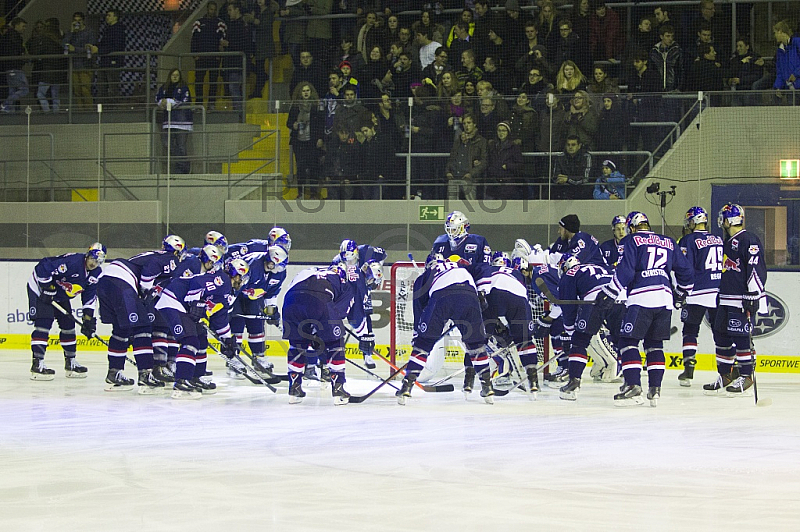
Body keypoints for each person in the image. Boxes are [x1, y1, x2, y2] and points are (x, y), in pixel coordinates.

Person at [596, 211, 694, 406]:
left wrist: (610, 292)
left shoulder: (632, 241)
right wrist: (682, 293)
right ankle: (655, 390)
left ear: (632, 227)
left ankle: (633, 386)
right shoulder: (667, 241)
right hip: (664, 299)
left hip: (641, 297)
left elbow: (626, 270)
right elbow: (686, 270)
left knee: (627, 341)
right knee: (655, 344)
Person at [97, 242, 215, 393]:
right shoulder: (169, 258)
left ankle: (114, 373)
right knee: (143, 328)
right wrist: (145, 291)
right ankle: (145, 375)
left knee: (121, 330)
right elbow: (149, 271)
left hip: (105, 279)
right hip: (123, 280)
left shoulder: (157, 257)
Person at [395, 255, 493, 405]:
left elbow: (419, 307)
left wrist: (418, 335)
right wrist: (482, 292)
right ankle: (487, 386)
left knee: (423, 344)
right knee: (476, 345)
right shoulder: (461, 266)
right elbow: (484, 268)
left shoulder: (426, 274)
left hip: (442, 297)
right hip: (469, 296)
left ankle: (406, 386)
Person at [155, 255, 248, 398]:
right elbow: (198, 282)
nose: (242, 281)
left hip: (184, 306)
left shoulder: (227, 291)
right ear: (236, 275)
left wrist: (227, 339)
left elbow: (220, 318)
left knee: (201, 339)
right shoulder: (222, 279)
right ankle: (182, 380)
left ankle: (195, 377)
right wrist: (195, 302)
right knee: (190, 341)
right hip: (174, 300)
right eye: (242, 277)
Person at [702, 204, 767, 396]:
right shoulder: (727, 241)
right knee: (721, 336)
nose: (720, 222)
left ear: (729, 220)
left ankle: (746, 376)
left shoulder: (748, 239)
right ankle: (725, 375)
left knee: (741, 338)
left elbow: (755, 267)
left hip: (741, 299)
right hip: (724, 299)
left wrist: (753, 294)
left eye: (722, 218)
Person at [27, 243, 106, 380]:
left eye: (98, 261)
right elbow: (43, 267)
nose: (94, 263)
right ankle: (37, 364)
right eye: (93, 258)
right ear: (88, 255)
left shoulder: (95, 274)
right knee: (44, 324)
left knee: (68, 325)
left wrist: (88, 320)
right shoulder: (72, 262)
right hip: (39, 289)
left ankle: (71, 363)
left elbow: (89, 297)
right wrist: (46, 286)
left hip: (58, 293)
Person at [281, 263, 357, 405]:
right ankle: (338, 387)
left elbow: (290, 291)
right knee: (336, 343)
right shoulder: (343, 282)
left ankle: (294, 387)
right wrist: (320, 334)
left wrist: (312, 333)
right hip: (319, 299)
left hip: (291, 301)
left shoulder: (308, 271)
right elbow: (339, 313)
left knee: (297, 344)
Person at [470, 252, 540, 395]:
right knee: (524, 341)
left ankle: (478, 383)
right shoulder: (517, 273)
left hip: (493, 295)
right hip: (518, 297)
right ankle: (533, 382)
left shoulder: (487, 269)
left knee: (478, 339)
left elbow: (478, 292)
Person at [556, 254, 623, 400]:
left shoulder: (570, 274)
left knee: (579, 342)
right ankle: (631, 384)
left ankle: (573, 383)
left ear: (565, 266)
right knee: (625, 342)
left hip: (596, 299)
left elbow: (568, 307)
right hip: (621, 297)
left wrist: (569, 333)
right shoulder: (599, 266)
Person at [675, 207, 724, 387]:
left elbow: (685, 268)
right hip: (717, 290)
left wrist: (681, 292)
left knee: (690, 330)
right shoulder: (718, 239)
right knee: (720, 332)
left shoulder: (689, 240)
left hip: (697, 292)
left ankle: (689, 369)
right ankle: (727, 369)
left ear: (693, 221)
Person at [228, 245, 288, 378]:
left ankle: (259, 357)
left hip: (255, 298)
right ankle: (234, 359)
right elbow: (235, 285)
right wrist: (227, 306)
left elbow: (272, 293)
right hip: (237, 297)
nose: (280, 268)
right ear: (270, 261)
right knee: (237, 326)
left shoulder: (280, 273)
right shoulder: (253, 264)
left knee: (257, 327)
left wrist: (272, 311)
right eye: (278, 265)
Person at [287, 82, 324, 199]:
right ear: (300, 93)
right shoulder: (295, 107)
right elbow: (288, 123)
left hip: (312, 142)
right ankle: (301, 193)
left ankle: (313, 193)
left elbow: (321, 124)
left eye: (308, 90)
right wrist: (294, 125)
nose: (306, 92)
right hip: (299, 142)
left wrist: (320, 138)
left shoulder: (316, 106)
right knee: (301, 169)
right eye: (304, 91)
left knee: (314, 168)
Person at [156, 68, 193, 174]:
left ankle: (183, 168)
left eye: (177, 75)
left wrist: (168, 101)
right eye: (173, 75)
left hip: (182, 122)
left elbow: (184, 101)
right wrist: (161, 102)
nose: (175, 76)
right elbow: (158, 98)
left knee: (181, 145)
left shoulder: (184, 88)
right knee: (168, 144)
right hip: (168, 122)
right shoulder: (164, 88)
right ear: (170, 76)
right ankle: (181, 164)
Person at [219, 2, 252, 117]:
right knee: (234, 88)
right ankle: (238, 112)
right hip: (231, 63)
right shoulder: (231, 24)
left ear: (237, 10)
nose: (229, 13)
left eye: (230, 10)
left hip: (238, 64)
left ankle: (239, 113)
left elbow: (245, 44)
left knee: (234, 87)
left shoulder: (242, 24)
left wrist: (229, 44)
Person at [191, 1, 226, 108]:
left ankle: (211, 104)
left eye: (214, 9)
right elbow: (194, 40)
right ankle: (199, 104)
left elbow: (222, 40)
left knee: (213, 81)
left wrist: (219, 55)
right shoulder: (199, 23)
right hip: (201, 58)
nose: (213, 11)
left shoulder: (220, 23)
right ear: (207, 9)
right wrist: (194, 55)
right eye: (211, 9)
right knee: (199, 81)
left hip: (214, 58)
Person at [445, 113, 487, 201]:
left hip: (468, 178)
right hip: (454, 176)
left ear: (474, 124)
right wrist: (448, 171)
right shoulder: (458, 141)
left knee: (471, 205)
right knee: (452, 206)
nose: (466, 126)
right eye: (464, 123)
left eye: (469, 123)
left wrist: (471, 173)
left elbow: (484, 161)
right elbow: (451, 158)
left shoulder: (481, 141)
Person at [28, 18, 65, 112]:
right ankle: (56, 113)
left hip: (47, 71)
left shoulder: (43, 39)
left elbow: (36, 53)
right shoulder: (59, 40)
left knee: (40, 94)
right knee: (55, 94)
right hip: (58, 71)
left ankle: (47, 111)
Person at [90, 10, 125, 104]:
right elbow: (105, 44)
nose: (107, 17)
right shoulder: (109, 29)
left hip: (112, 62)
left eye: (109, 15)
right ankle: (103, 107)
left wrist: (99, 50)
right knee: (102, 87)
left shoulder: (118, 29)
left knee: (112, 87)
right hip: (105, 62)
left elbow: (115, 46)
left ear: (115, 17)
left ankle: (113, 109)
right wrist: (95, 47)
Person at [63, 12, 96, 110]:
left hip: (86, 65)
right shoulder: (71, 33)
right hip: (73, 65)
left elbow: (90, 48)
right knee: (76, 90)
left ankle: (89, 110)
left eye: (79, 20)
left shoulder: (89, 32)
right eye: (75, 20)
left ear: (83, 21)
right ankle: (80, 110)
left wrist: (75, 49)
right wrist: (72, 32)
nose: (77, 23)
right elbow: (64, 44)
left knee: (85, 89)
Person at [485, 121, 523, 200]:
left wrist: (508, 166)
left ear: (508, 132)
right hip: (493, 181)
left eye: (503, 130)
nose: (501, 133)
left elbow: (520, 164)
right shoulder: (492, 146)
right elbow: (488, 160)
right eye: (499, 130)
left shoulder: (513, 146)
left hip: (507, 182)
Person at [0, 17, 28, 113]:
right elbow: (17, 51)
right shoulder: (15, 37)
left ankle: (8, 110)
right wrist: (22, 57)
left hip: (8, 68)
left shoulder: (7, 36)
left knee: (12, 90)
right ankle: (6, 105)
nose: (24, 28)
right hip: (15, 67)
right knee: (24, 89)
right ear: (16, 25)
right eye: (23, 26)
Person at [551, 135, 592, 200]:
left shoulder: (586, 157)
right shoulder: (560, 157)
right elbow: (555, 177)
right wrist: (560, 180)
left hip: (581, 191)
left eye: (573, 145)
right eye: (568, 145)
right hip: (563, 191)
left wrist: (568, 179)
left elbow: (585, 179)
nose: (570, 147)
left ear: (579, 146)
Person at [771, 20, 800, 92]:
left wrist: (796, 74)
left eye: (775, 33)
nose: (774, 36)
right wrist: (778, 86)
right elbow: (780, 71)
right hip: (790, 88)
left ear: (780, 31)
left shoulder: (797, 43)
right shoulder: (780, 51)